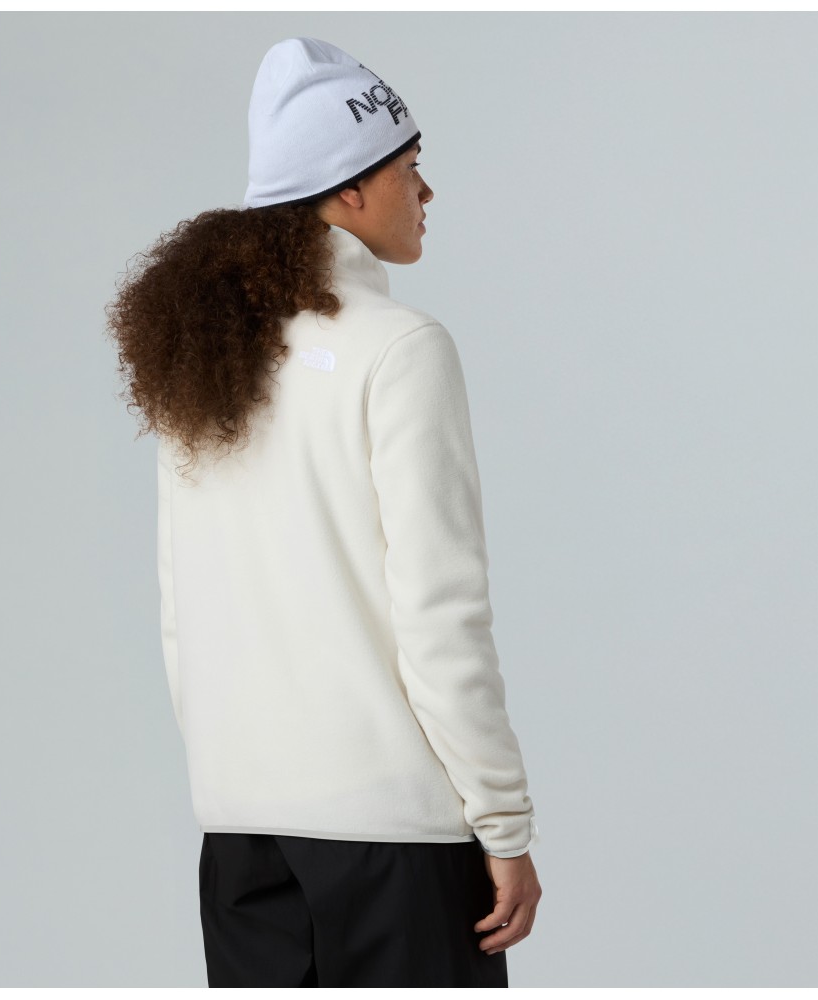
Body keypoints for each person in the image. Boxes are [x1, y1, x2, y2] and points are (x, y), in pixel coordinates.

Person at [106, 36, 542, 988]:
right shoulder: (399, 348)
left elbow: (184, 611)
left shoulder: (205, 354)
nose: (426, 191)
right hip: (395, 843)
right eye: (409, 168)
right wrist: (504, 825)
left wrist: (235, 778)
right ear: (348, 189)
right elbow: (439, 615)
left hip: (242, 840)